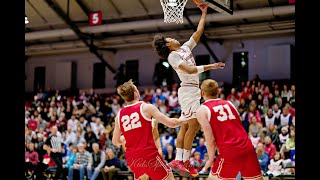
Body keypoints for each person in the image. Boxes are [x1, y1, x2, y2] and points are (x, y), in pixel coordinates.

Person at [152, 4, 225, 177]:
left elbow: (198, 32)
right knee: (194, 124)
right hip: (188, 91)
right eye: (170, 38)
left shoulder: (184, 48)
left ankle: (180, 159)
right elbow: (190, 70)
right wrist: (212, 66)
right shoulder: (172, 56)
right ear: (169, 45)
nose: (174, 38)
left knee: (186, 125)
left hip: (192, 91)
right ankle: (183, 160)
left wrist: (204, 13)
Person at [112, 79, 186, 180]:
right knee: (169, 177)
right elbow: (171, 123)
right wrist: (182, 119)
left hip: (132, 158)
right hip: (148, 155)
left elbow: (115, 141)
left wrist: (128, 136)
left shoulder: (119, 115)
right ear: (135, 92)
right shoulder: (146, 108)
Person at [195, 79, 263, 180]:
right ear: (218, 91)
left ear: (202, 93)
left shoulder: (202, 110)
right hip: (247, 148)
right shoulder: (230, 104)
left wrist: (210, 159)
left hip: (229, 152)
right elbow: (237, 126)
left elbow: (210, 140)